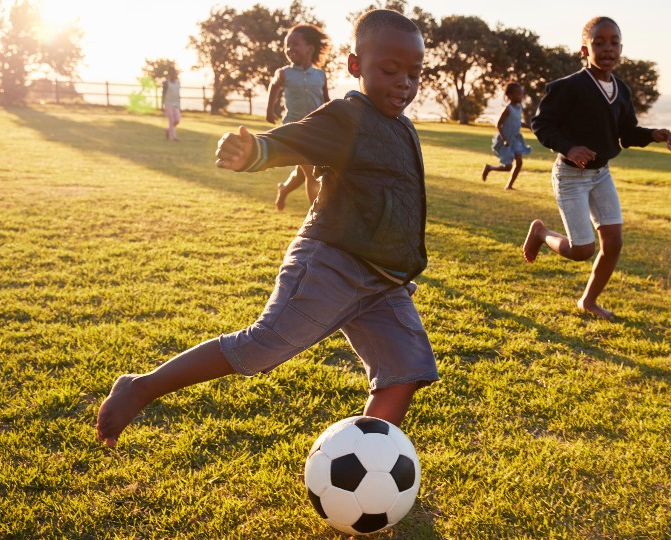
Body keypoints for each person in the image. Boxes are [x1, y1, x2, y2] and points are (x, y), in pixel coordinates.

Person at [96, 9, 436, 448]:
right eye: (390, 71)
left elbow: (401, 202)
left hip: (383, 281)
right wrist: (254, 151)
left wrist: (401, 266)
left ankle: (372, 456)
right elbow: (292, 139)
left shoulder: (404, 128)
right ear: (356, 67)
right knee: (263, 346)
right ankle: (140, 387)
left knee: (404, 370)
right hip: (333, 262)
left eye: (414, 73)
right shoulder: (346, 118)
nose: (404, 83)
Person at [522, 16, 671, 320]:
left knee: (614, 243)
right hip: (570, 176)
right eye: (599, 42)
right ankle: (541, 233)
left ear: (621, 47)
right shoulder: (568, 87)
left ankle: (588, 301)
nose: (608, 48)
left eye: (614, 42)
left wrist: (653, 135)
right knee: (582, 250)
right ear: (584, 50)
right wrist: (570, 147)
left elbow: (627, 133)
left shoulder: (622, 90)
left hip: (600, 175)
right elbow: (541, 124)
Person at [267, 23, 331, 210]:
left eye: (295, 44)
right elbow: (274, 87)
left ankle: (284, 189)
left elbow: (326, 100)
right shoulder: (284, 73)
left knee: (302, 173)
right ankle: (316, 218)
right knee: (312, 173)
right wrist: (270, 110)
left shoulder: (320, 75)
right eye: (287, 45)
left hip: (316, 130)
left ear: (310, 48)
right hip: (294, 130)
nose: (289, 49)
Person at [481, 82, 532, 190]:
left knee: (519, 162)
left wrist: (528, 126)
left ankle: (509, 185)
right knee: (508, 167)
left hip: (516, 138)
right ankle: (489, 168)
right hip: (505, 139)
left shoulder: (519, 107)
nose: (520, 96)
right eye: (518, 94)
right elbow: (498, 125)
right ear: (510, 96)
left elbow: (517, 122)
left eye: (521, 93)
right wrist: (505, 139)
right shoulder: (507, 109)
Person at [162, 68, 180, 142]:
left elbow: (178, 94)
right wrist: (162, 105)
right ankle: (174, 137)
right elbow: (163, 94)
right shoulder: (166, 83)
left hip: (176, 104)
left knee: (177, 120)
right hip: (168, 104)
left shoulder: (178, 82)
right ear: (169, 74)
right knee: (171, 120)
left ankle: (168, 130)